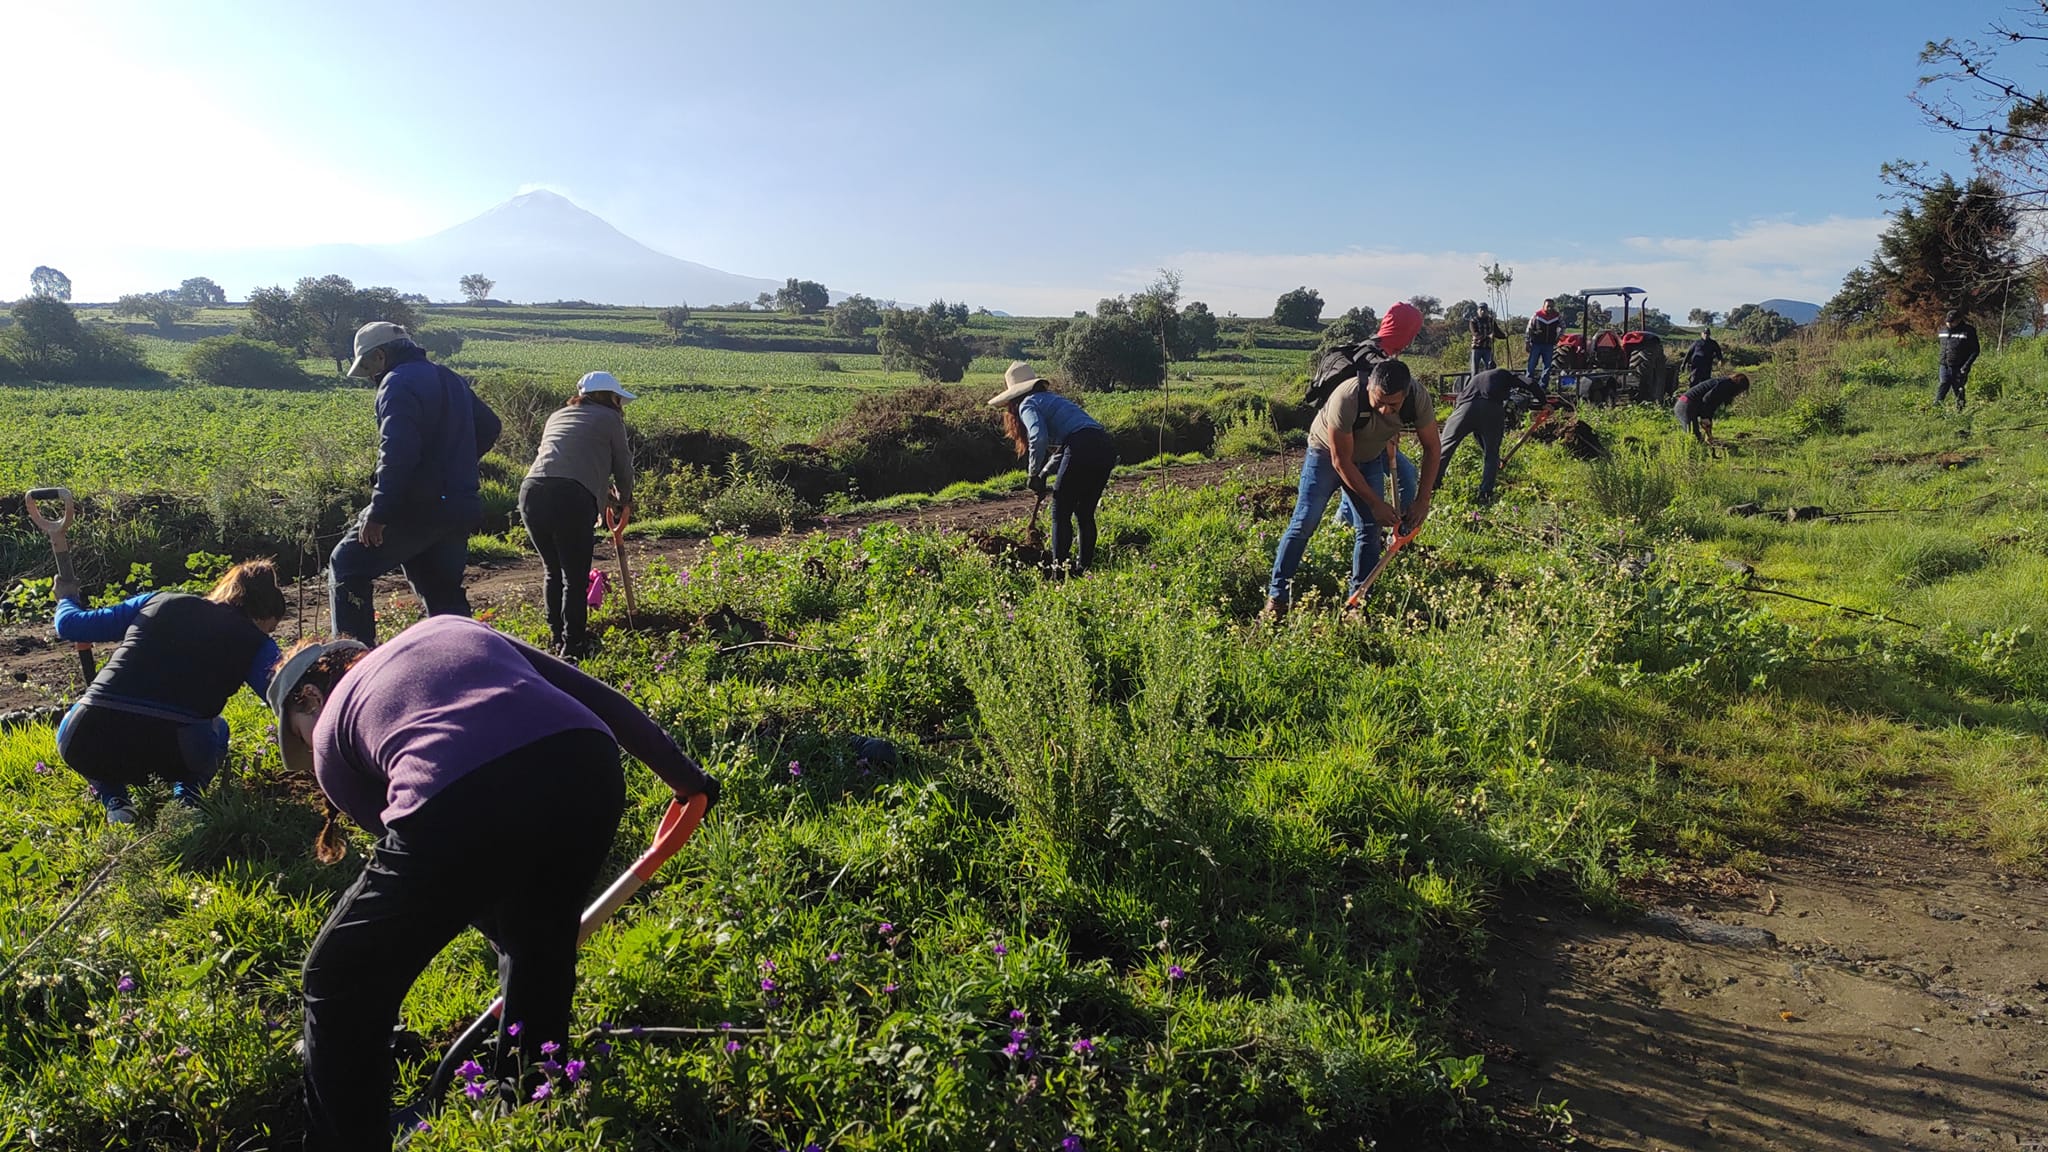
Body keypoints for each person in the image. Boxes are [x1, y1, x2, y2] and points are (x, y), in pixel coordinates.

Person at [269, 615, 719, 1151]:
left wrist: (497, 920)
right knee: (539, 946)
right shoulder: (445, 627)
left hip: (458, 796)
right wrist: (688, 780)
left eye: (297, 730)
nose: (307, 747)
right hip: (585, 765)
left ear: (312, 698)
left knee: (339, 976)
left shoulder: (328, 729)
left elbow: (432, 860)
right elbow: (600, 698)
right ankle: (529, 1098)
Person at [52, 561, 287, 824]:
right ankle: (186, 801)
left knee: (89, 712)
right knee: (218, 730)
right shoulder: (255, 641)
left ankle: (116, 802)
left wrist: (66, 598)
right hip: (175, 751)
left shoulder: (159, 601)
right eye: (271, 628)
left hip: (84, 740)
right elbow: (283, 695)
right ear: (262, 616)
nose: (269, 635)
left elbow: (71, 626)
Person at [329, 321, 502, 646]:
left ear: (380, 356)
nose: (370, 377)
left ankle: (353, 665)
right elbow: (490, 426)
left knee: (347, 564)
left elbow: (397, 454)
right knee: (443, 595)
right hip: (458, 506)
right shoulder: (450, 378)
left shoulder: (396, 384)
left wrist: (379, 513)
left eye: (368, 368)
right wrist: (453, 464)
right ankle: (469, 662)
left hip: (416, 509)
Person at [1266, 305, 1440, 617]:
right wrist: (1374, 502)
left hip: (1370, 455)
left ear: (1406, 393)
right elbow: (1340, 460)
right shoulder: (1347, 396)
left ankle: (1357, 602)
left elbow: (1432, 447)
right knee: (1305, 521)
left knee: (1369, 531)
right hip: (1327, 453)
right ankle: (1277, 599)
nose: (1387, 411)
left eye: (1395, 405)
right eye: (1380, 403)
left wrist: (1423, 499)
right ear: (1370, 387)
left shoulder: (1418, 397)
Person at [521, 371, 637, 658]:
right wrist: (624, 500)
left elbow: (568, 462)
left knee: (553, 571)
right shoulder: (611, 419)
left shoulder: (558, 415)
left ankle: (556, 637)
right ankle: (573, 646)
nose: (620, 404)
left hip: (532, 491)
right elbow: (623, 466)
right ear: (610, 397)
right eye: (618, 398)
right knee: (575, 576)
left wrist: (605, 496)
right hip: (571, 497)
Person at [989, 361, 1117, 574]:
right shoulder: (1054, 400)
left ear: (1013, 398)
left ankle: (1059, 572)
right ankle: (1083, 568)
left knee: (1060, 510)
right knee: (1084, 513)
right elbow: (1069, 444)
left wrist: (1032, 473)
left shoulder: (1027, 404)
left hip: (1082, 446)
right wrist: (1045, 472)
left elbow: (1039, 437)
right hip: (1104, 447)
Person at [1433, 367, 1552, 504]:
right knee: (1491, 454)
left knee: (1444, 449)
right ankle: (1485, 495)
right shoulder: (1506, 374)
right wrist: (1544, 403)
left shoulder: (1476, 378)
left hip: (1462, 409)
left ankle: (1431, 487)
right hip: (1491, 407)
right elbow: (1529, 382)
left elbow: (1478, 432)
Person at [1675, 372, 1750, 445]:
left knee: (1697, 438)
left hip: (1689, 404)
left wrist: (1709, 434)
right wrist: (1705, 417)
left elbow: (1711, 408)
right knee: (1694, 437)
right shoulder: (1724, 385)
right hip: (1685, 404)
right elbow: (1707, 399)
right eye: (1741, 391)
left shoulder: (1724, 385)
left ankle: (1707, 442)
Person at [1936, 308, 1980, 412]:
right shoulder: (1942, 330)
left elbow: (1975, 350)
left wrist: (1966, 366)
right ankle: (1936, 409)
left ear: (1959, 320)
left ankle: (1960, 410)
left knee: (1958, 389)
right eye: (1948, 322)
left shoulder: (1968, 331)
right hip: (1944, 365)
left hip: (1960, 367)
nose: (1949, 324)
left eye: (1952, 322)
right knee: (1943, 384)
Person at [1525, 298, 1563, 385]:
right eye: (1548, 306)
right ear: (1544, 306)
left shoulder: (1556, 316)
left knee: (1547, 366)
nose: (1550, 308)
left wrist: (1559, 337)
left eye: (1551, 307)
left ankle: (1543, 386)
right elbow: (1529, 329)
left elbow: (1563, 327)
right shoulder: (1537, 315)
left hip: (1549, 344)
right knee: (1532, 364)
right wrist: (1527, 342)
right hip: (1536, 343)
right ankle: (1528, 384)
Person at [1469, 304, 1507, 374]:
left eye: (1485, 310)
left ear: (1487, 311)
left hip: (1488, 348)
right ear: (1478, 311)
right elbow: (1476, 334)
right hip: (1477, 348)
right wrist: (1488, 336)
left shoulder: (1491, 321)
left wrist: (1504, 336)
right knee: (1474, 370)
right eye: (1481, 310)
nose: (1483, 311)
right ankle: (1474, 383)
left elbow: (1497, 332)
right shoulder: (1473, 321)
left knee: (1490, 369)